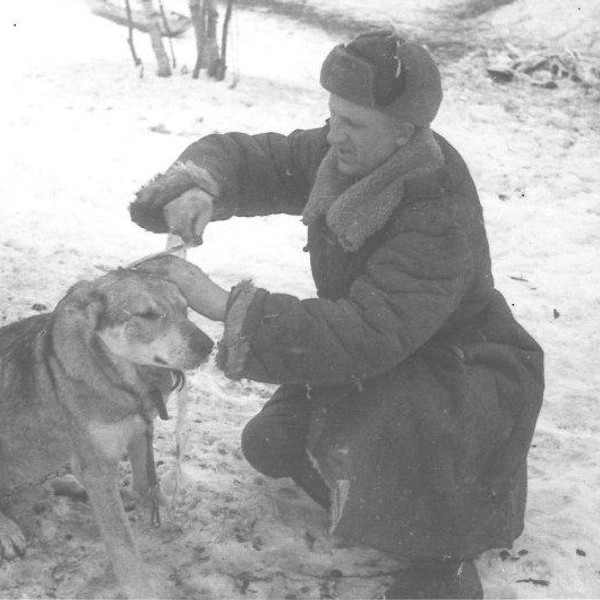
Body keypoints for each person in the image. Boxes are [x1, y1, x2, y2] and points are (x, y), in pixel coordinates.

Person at [129, 28, 544, 599]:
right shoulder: (349, 151)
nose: (335, 134)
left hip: (457, 376)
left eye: (353, 123)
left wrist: (225, 305)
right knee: (270, 444)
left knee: (406, 455)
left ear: (405, 132)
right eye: (333, 115)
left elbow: (367, 334)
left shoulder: (436, 207)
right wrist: (202, 186)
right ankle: (370, 490)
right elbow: (259, 159)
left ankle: (441, 553)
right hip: (380, 352)